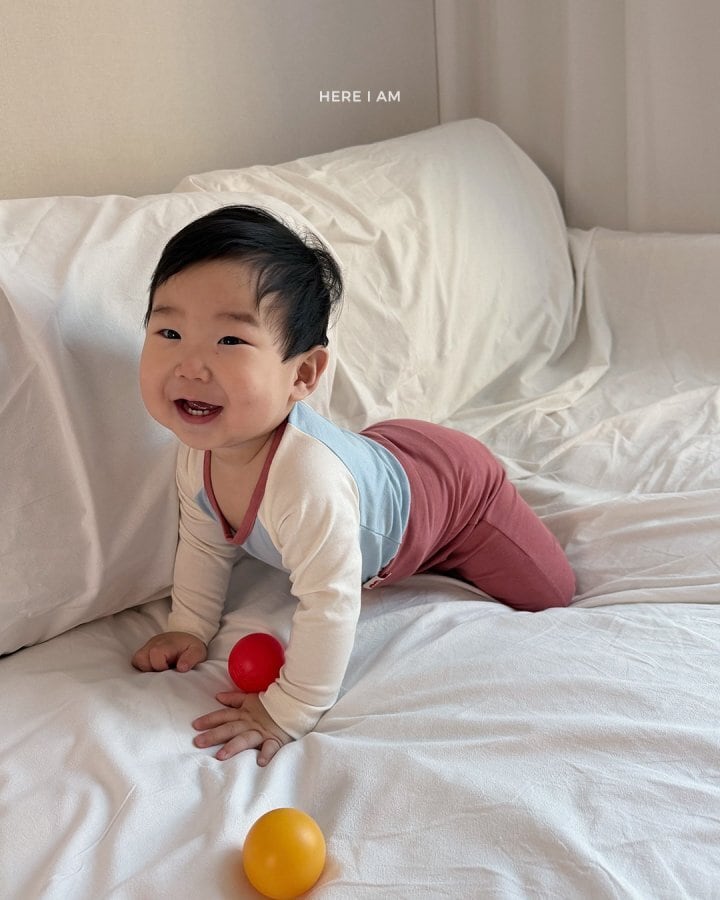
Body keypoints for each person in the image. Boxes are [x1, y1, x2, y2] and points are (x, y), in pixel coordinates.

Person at [132, 205, 575, 766]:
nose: (191, 366)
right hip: (382, 453)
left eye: (230, 341)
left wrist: (286, 709)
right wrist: (189, 626)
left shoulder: (306, 483)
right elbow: (204, 540)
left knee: (551, 592)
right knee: (354, 486)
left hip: (454, 491)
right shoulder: (198, 450)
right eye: (169, 332)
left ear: (302, 374)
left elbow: (330, 604)